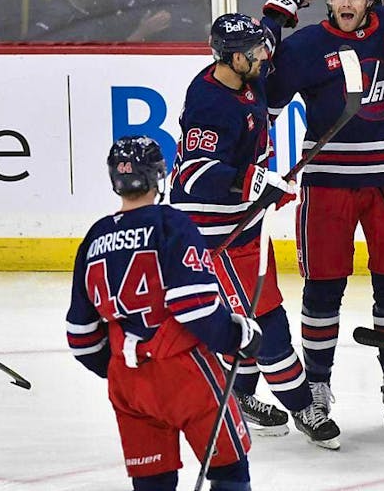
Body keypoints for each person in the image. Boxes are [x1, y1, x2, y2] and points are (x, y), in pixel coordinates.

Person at [264, 0, 384, 428]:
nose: (347, 3)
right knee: (323, 289)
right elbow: (262, 102)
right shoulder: (305, 47)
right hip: (328, 185)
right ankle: (317, 387)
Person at [169, 4, 343, 449]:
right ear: (229, 58)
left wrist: (279, 11)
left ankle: (239, 396)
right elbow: (192, 175)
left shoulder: (246, 73)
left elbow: (264, 32)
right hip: (216, 237)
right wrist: (256, 182)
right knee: (266, 321)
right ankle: (303, 405)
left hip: (245, 225)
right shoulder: (211, 104)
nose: (264, 55)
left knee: (246, 317)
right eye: (252, 51)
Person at [66, 136, 260, 491]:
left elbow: (80, 337)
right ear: (158, 174)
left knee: (152, 481)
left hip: (129, 384)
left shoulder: (94, 238)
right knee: (229, 470)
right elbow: (196, 309)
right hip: (186, 376)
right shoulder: (170, 223)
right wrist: (239, 338)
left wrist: (124, 367)